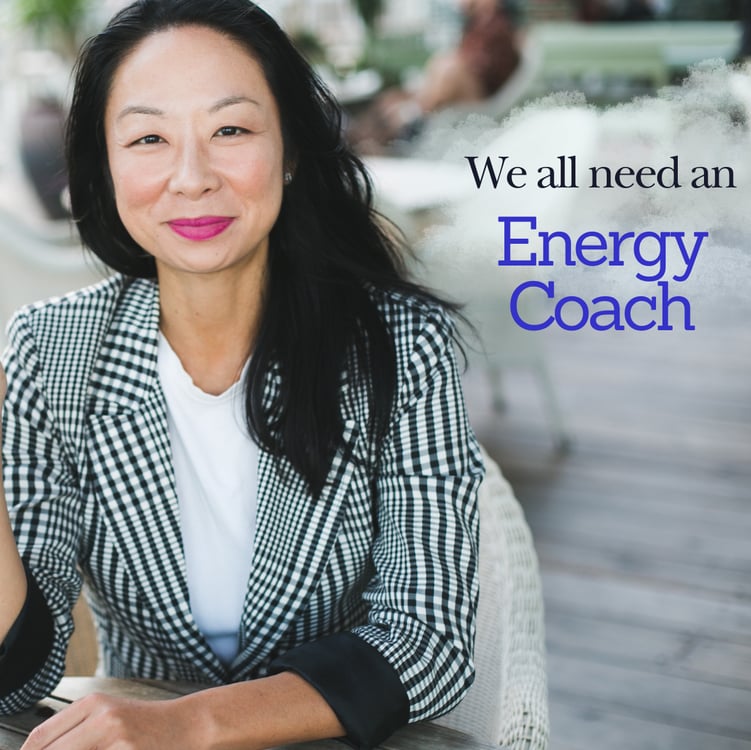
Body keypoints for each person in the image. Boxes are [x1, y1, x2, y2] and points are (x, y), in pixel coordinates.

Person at [0, 1, 484, 749]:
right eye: (149, 138)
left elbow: (428, 639)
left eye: (230, 130)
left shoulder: (400, 344)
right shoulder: (49, 350)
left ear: (289, 148)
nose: (191, 178)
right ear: (104, 162)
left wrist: (187, 724)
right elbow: (19, 677)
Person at [348, 0, 523, 152]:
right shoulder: (476, 26)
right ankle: (366, 135)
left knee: (446, 67)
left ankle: (376, 137)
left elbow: (486, 71)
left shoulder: (497, 28)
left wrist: (417, 103)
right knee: (389, 101)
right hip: (446, 100)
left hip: (467, 101)